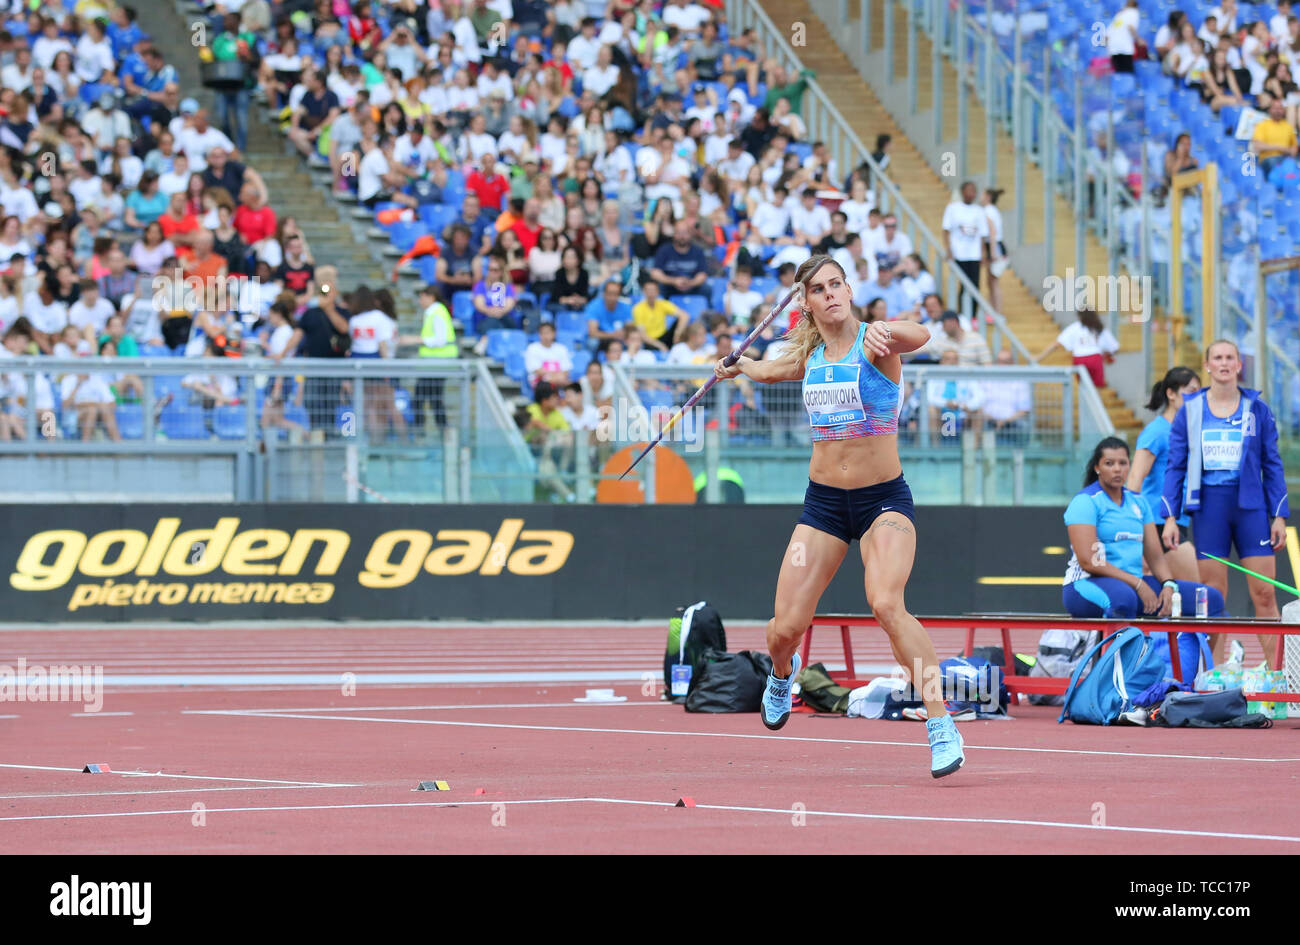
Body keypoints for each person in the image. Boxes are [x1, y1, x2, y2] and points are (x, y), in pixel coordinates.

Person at [712, 254, 965, 778]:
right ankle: (783, 674)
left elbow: (920, 334)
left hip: (883, 503)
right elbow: (770, 370)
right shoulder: (812, 357)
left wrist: (886, 331)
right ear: (806, 303)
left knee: (887, 603)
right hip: (824, 506)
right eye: (819, 289)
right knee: (784, 628)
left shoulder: (878, 341)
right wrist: (739, 366)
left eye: (837, 284)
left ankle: (941, 724)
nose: (830, 293)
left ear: (848, 291)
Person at [1161, 340, 1290, 666]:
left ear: (1238, 365)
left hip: (1251, 509)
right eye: (1217, 357)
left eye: (1229, 357)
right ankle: (1213, 676)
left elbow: (1272, 464)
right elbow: (1175, 465)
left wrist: (1279, 515)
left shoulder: (1256, 408)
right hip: (1209, 509)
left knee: (1264, 593)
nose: (1223, 363)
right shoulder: (1190, 410)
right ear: (1207, 365)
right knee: (1213, 597)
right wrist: (1170, 517)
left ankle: (1280, 678)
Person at [1062, 437, 1222, 681]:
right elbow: (1088, 561)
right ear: (1097, 467)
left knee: (1212, 600)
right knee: (1123, 600)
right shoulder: (1085, 502)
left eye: (1123, 463)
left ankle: (1194, 677)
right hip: (1084, 586)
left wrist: (1168, 584)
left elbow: (1156, 556)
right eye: (1109, 463)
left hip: (1134, 588)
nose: (1117, 469)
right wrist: (1137, 584)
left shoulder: (1139, 503)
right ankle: (1112, 682)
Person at [1127, 367, 1202, 582]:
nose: (1196, 399)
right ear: (1171, 394)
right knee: (1199, 592)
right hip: (1158, 524)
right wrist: (1134, 537)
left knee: (1178, 599)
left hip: (1180, 521)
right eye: (1191, 391)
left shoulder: (1189, 432)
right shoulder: (1157, 431)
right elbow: (1134, 481)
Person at [1031, 308, 1118, 387]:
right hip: (1095, 358)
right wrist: (1107, 356)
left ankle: (1084, 404)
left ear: (1079, 316)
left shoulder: (1075, 327)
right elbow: (1114, 347)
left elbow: (1056, 344)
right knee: (1097, 388)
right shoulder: (1099, 328)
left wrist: (1039, 357)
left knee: (1084, 387)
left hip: (1080, 358)